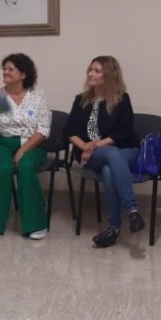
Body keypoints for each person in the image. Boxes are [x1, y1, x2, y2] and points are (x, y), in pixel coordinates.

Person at [63, 56, 144, 248]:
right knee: (110, 155)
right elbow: (68, 130)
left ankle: (113, 229)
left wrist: (97, 144)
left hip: (126, 150)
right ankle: (132, 209)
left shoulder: (122, 99)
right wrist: (84, 146)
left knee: (109, 167)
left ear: (109, 75)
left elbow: (125, 132)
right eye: (90, 69)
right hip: (93, 153)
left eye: (97, 71)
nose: (91, 74)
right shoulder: (81, 100)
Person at [0, 53, 50, 240]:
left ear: (23, 74)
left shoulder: (37, 96)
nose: (5, 72)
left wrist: (22, 150)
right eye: (4, 69)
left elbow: (43, 130)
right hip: (3, 143)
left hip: (32, 144)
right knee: (3, 168)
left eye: (11, 69)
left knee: (25, 166)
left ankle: (36, 224)